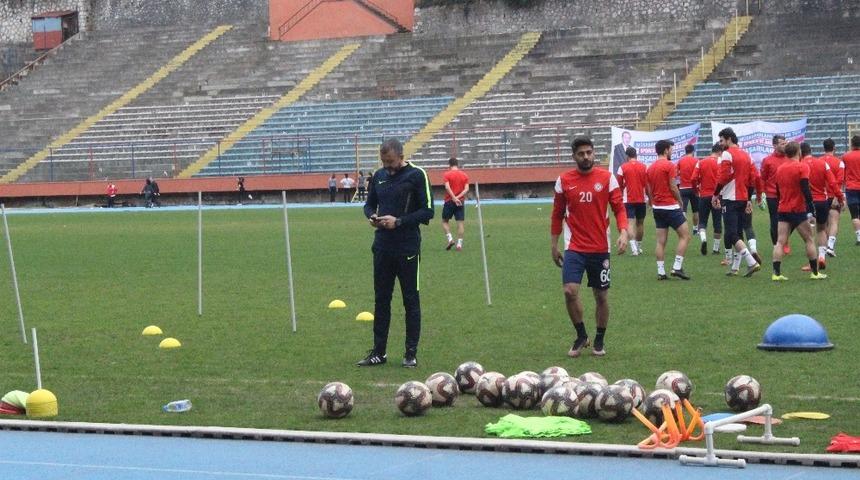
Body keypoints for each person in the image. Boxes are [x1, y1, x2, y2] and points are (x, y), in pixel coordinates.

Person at [357, 139, 434, 368]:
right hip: (382, 248)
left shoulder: (417, 175)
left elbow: (428, 211)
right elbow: (369, 205)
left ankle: (410, 353)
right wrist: (372, 217)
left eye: (390, 162)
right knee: (381, 300)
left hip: (407, 248)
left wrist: (398, 221)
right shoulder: (379, 176)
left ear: (401, 156)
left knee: (410, 300)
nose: (387, 167)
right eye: (383, 162)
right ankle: (379, 352)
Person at [551, 137, 628, 358]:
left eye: (589, 152)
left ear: (594, 153)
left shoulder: (607, 178)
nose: (586, 157)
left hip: (600, 248)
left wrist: (623, 231)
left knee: (601, 296)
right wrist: (554, 245)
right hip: (574, 246)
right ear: (574, 156)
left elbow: (619, 208)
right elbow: (557, 214)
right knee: (569, 291)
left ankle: (600, 338)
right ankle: (581, 335)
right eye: (581, 153)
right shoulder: (564, 180)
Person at [771, 141, 827, 280]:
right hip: (798, 209)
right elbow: (805, 189)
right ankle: (815, 273)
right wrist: (811, 208)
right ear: (798, 152)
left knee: (780, 241)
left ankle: (776, 274)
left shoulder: (780, 168)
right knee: (809, 239)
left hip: (783, 208)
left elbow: (778, 191)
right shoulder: (802, 167)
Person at [712, 127, 761, 277]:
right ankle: (735, 267)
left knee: (731, 234)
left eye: (721, 140)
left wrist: (715, 194)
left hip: (730, 198)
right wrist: (748, 199)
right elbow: (754, 178)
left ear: (729, 139)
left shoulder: (727, 154)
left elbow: (723, 177)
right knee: (738, 232)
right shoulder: (747, 155)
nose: (720, 144)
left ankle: (751, 262)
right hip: (742, 197)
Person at [646, 140, 691, 280]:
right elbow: (673, 186)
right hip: (670, 206)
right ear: (666, 150)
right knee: (685, 236)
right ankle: (677, 267)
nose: (672, 151)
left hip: (657, 208)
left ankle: (661, 272)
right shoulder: (669, 165)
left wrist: (652, 200)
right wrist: (680, 200)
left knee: (661, 241)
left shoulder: (650, 168)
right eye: (671, 149)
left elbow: (648, 188)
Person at [802, 142, 844, 271]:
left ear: (800, 153)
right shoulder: (822, 164)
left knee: (809, 235)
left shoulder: (800, 165)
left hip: (806, 203)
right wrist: (840, 197)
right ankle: (821, 257)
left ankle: (812, 263)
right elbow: (833, 182)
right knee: (821, 230)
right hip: (822, 201)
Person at [616, 146, 647, 256]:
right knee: (640, 223)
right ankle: (639, 247)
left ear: (627, 156)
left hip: (628, 199)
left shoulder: (622, 167)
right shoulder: (644, 167)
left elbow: (618, 184)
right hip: (641, 199)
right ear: (636, 155)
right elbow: (646, 184)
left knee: (630, 223)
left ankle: (634, 249)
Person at [693, 143, 723, 255]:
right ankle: (716, 249)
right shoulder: (721, 162)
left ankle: (703, 239)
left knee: (702, 222)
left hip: (704, 195)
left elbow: (693, 178)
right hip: (717, 196)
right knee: (717, 222)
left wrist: (697, 189)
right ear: (720, 152)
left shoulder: (701, 162)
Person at [760, 135, 788, 252]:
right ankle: (777, 245)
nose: (785, 145)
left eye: (785, 143)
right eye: (782, 144)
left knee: (790, 220)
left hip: (787, 195)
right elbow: (763, 178)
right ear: (775, 145)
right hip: (772, 196)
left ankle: (784, 240)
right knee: (775, 220)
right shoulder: (767, 160)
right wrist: (761, 193)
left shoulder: (790, 158)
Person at [820, 138, 844, 256]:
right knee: (834, 221)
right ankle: (830, 247)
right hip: (833, 196)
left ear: (823, 148)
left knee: (823, 225)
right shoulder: (839, 162)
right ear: (834, 148)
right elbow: (839, 181)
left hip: (820, 197)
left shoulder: (818, 161)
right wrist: (837, 197)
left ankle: (824, 248)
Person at [441, 157, 470, 251]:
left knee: (445, 221)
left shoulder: (447, 174)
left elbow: (447, 187)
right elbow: (466, 189)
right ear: (457, 164)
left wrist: (453, 197)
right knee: (460, 223)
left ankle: (450, 239)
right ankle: (459, 245)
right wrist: (458, 197)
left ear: (449, 165)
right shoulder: (464, 175)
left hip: (449, 201)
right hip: (460, 202)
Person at [677, 144, 700, 235]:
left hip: (683, 188)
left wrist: (681, 174)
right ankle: (695, 229)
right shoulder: (696, 160)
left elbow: (676, 173)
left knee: (683, 210)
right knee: (695, 210)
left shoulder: (681, 161)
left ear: (685, 151)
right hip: (694, 188)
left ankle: (684, 229)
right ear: (693, 151)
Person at [845, 135, 860, 246]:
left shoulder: (846, 156)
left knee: (854, 215)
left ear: (852, 144)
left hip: (851, 188)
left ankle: (859, 237)